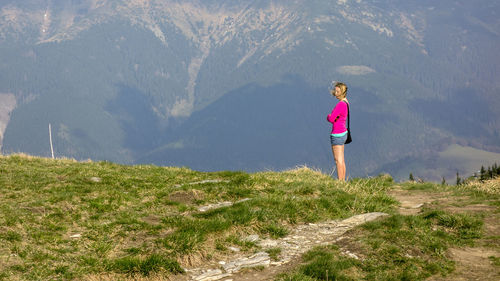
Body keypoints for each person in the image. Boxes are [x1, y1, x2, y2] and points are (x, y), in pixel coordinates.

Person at [327, 81, 349, 181]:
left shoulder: (340, 104)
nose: (335, 93)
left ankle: (340, 182)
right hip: (343, 133)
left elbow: (331, 119)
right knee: (342, 159)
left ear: (341, 92)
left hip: (337, 134)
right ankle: (343, 180)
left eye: (337, 91)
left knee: (338, 160)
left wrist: (328, 116)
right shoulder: (346, 102)